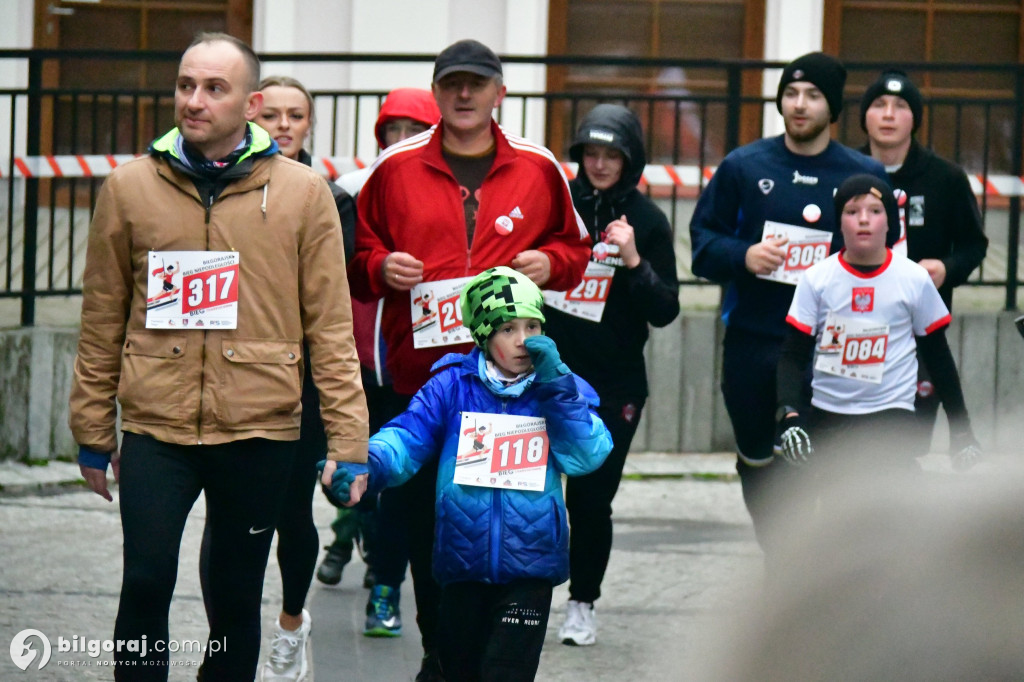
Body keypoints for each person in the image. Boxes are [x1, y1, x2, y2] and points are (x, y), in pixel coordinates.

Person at [68, 33, 368, 681]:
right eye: (185, 86)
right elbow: (100, 320)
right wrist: (93, 431)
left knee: (232, 596)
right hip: (156, 426)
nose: (193, 101)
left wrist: (349, 441)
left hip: (260, 427)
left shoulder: (302, 193)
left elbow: (331, 327)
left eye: (214, 89)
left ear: (251, 104)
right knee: (145, 581)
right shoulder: (129, 189)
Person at [344, 38, 591, 679]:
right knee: (426, 529)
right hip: (424, 386)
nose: (463, 94)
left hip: (515, 389)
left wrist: (552, 263)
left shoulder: (538, 168)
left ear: (498, 92)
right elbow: (354, 257)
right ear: (436, 91)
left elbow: (576, 250)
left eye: (476, 83)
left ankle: (494, 657)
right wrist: (379, 265)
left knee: (505, 524)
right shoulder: (395, 167)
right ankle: (442, 652)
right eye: (451, 82)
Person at [320, 266, 613, 681]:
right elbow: (406, 437)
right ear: (482, 334)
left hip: (531, 565)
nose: (524, 339)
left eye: (532, 325)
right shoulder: (451, 385)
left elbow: (588, 455)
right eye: (508, 328)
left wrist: (557, 387)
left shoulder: (562, 389)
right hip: (462, 561)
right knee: (458, 671)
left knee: (504, 674)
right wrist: (366, 464)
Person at [688, 52, 892, 562]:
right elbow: (701, 247)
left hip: (831, 349)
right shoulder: (744, 166)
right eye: (791, 93)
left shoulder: (863, 172)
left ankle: (811, 573)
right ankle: (779, 554)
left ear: (833, 107)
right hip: (754, 339)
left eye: (814, 95)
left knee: (823, 466)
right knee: (759, 460)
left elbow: (891, 255)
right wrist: (745, 255)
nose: (799, 105)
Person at [543, 104, 680, 646]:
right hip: (547, 375)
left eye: (612, 155)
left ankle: (582, 601)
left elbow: (666, 309)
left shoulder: (647, 221)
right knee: (531, 491)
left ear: (631, 159)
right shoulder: (560, 206)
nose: (600, 165)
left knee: (592, 499)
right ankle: (519, 594)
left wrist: (632, 259)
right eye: (591, 154)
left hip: (615, 382)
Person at [775, 174, 980, 488]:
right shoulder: (817, 278)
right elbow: (792, 355)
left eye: (874, 211)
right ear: (839, 222)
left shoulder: (913, 278)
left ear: (889, 223)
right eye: (852, 212)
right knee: (837, 518)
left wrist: (961, 429)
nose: (863, 221)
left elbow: (937, 356)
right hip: (830, 415)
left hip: (891, 416)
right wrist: (789, 418)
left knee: (889, 514)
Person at [317, 88, 439, 590]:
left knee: (401, 469)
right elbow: (339, 269)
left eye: (415, 130)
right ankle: (348, 535)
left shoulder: (448, 190)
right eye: (395, 130)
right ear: (380, 134)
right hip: (360, 350)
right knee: (352, 459)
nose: (403, 140)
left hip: (422, 355)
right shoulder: (352, 186)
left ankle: (379, 562)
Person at [858, 70, 989, 455]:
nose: (888, 115)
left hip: (918, 339)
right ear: (864, 116)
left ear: (914, 119)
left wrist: (946, 269)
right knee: (852, 448)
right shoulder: (845, 171)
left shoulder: (945, 178)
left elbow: (973, 245)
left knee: (906, 448)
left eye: (900, 107)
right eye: (879, 105)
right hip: (855, 330)